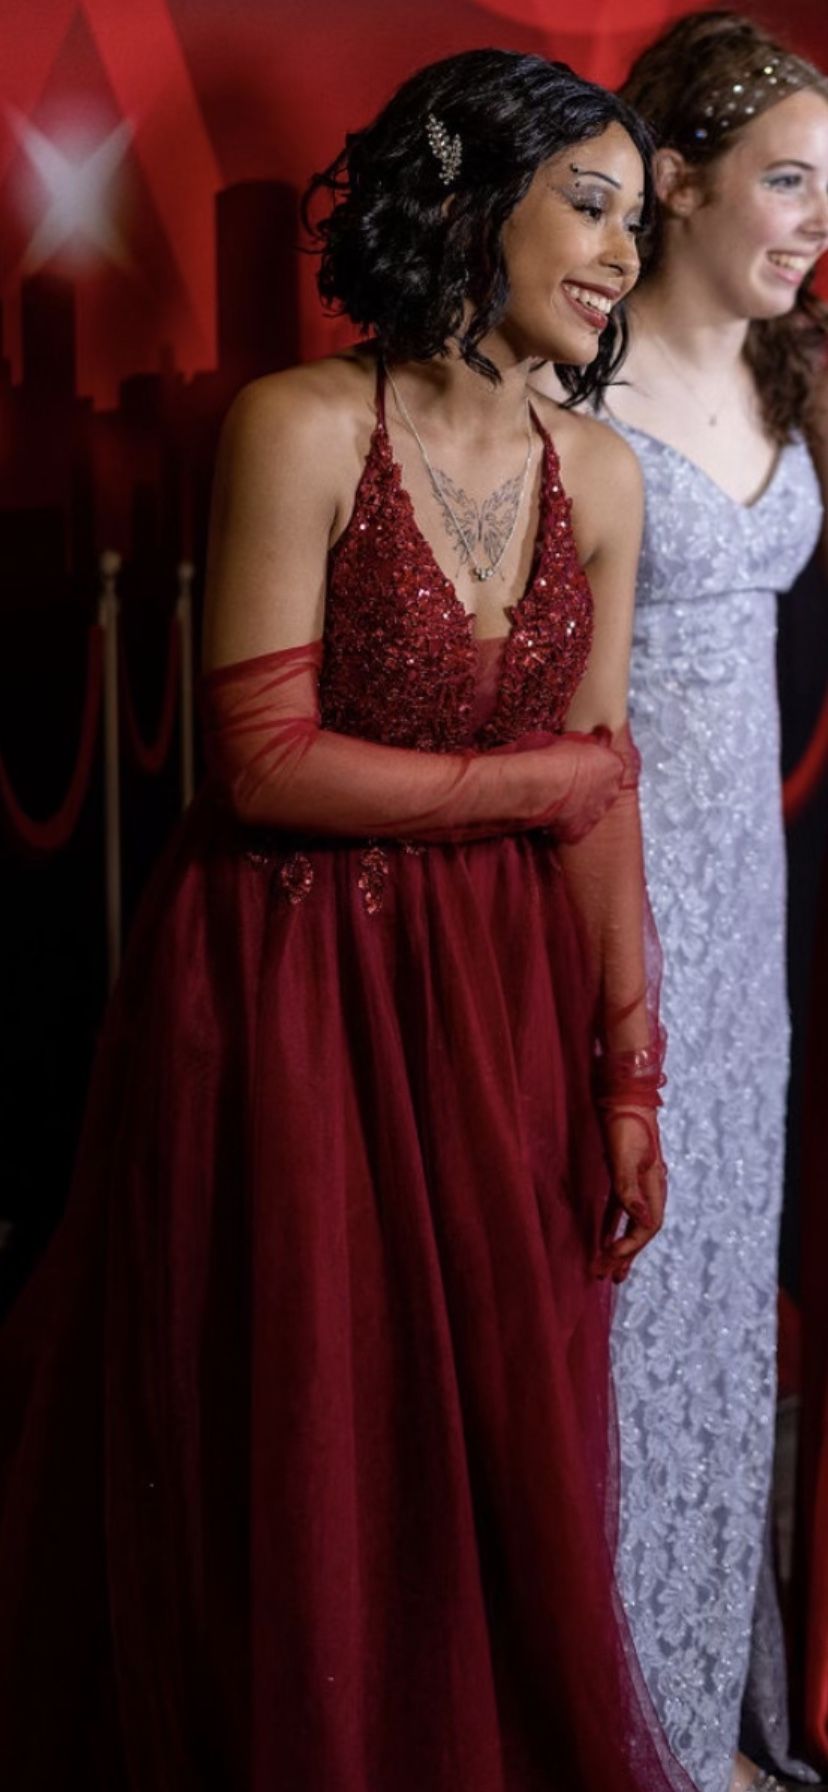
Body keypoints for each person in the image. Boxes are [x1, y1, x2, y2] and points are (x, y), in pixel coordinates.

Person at [0, 47, 695, 1792]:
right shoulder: (302, 424)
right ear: (469, 207)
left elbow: (599, 796)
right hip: (291, 975)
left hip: (506, 999)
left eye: (638, 221)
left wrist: (630, 1077)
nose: (622, 255)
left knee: (491, 1416)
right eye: (590, 207)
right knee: (318, 1411)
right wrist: (535, 788)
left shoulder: (599, 476)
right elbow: (254, 764)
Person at [535, 14, 828, 1792]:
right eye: (791, 181)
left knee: (726, 1291)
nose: (814, 221)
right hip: (610, 890)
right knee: (616, 1288)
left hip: (760, 916)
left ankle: (706, 1686)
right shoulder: (577, 378)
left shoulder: (799, 378)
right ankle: (602, 1708)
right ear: (686, 182)